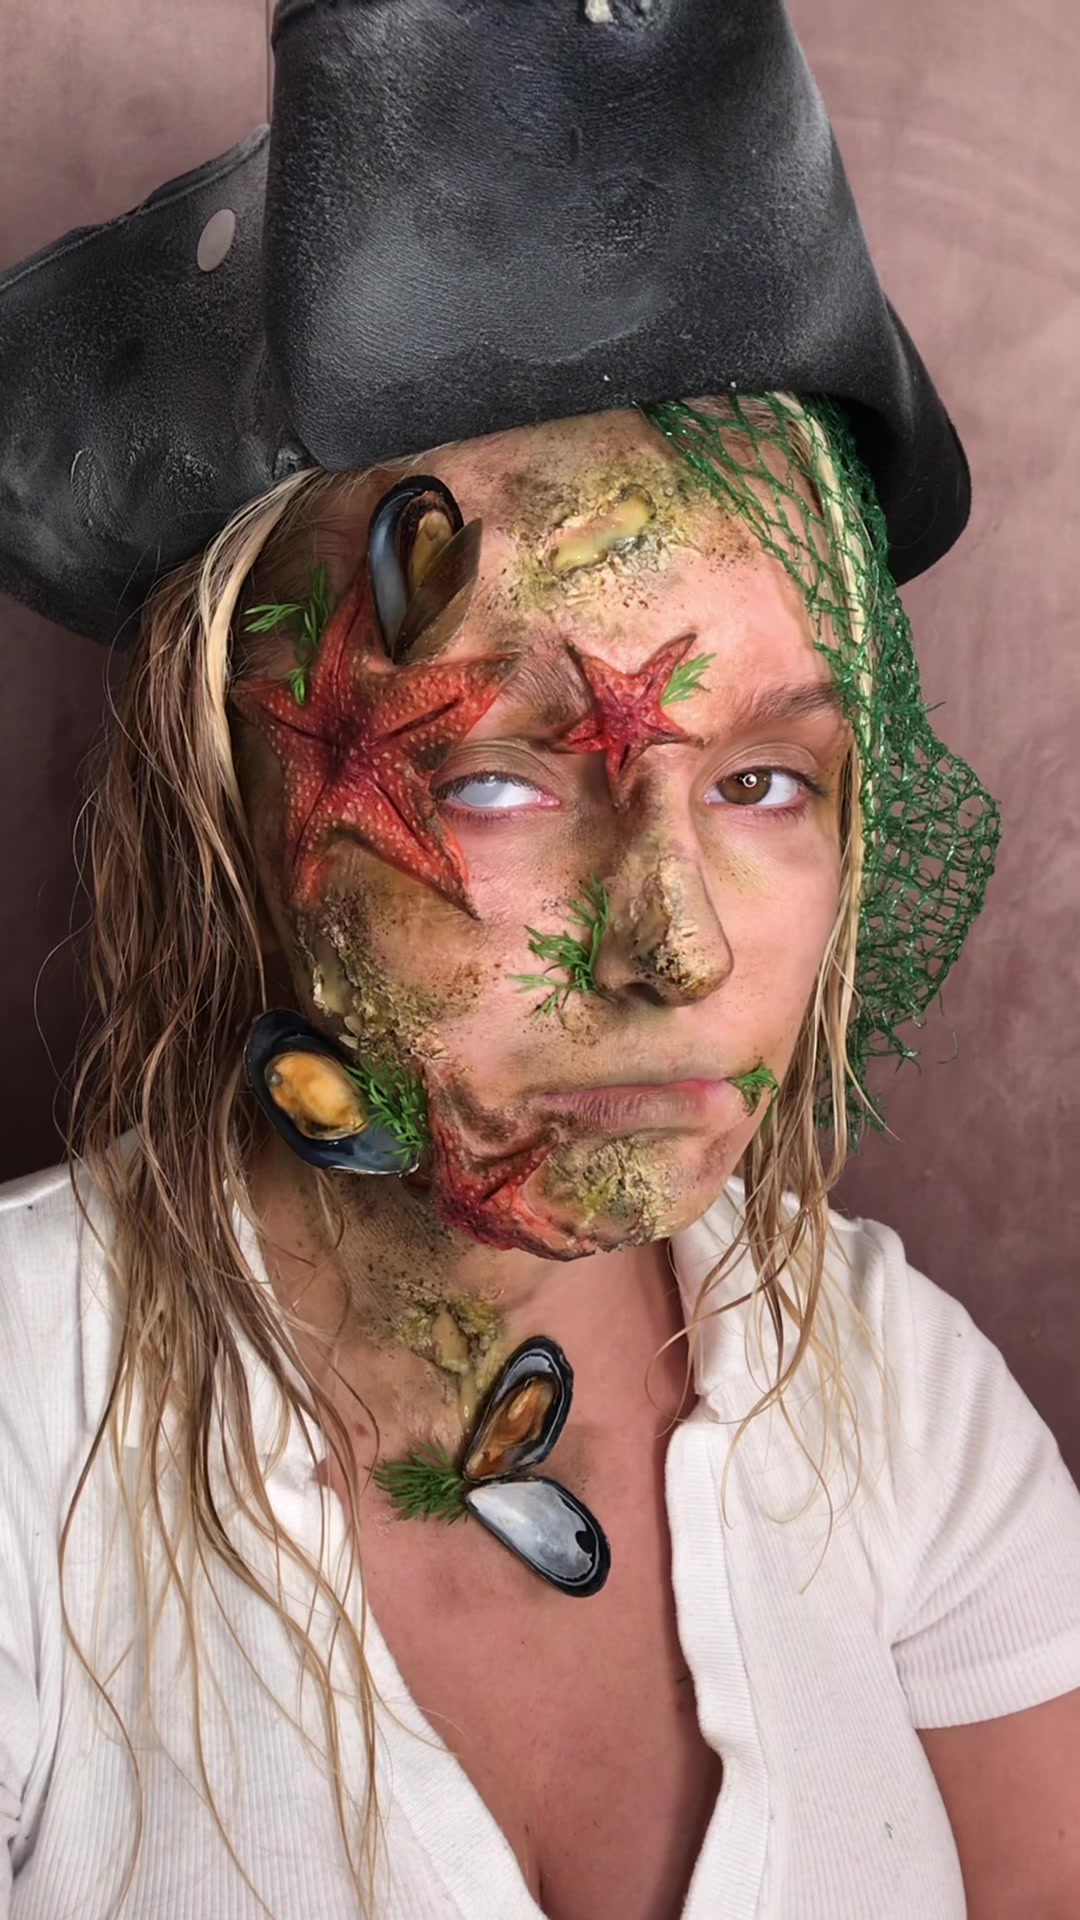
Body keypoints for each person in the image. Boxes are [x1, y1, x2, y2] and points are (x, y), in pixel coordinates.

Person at [2, 5, 1080, 1919]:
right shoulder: (29, 1421)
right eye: (495, 780)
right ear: (229, 801)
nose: (675, 945)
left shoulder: (893, 1394)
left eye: (765, 781)